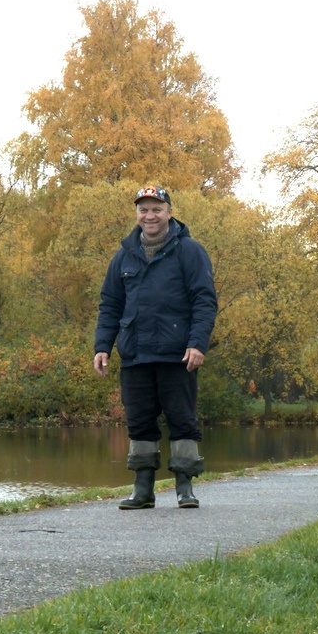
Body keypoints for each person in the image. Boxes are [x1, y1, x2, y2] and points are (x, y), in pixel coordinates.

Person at [93, 184, 217, 509]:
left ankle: (185, 488)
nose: (150, 215)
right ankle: (143, 490)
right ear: (137, 214)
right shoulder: (123, 256)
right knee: (140, 422)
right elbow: (110, 305)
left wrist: (198, 343)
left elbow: (204, 302)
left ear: (169, 212)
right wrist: (102, 346)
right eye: (144, 209)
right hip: (135, 354)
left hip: (178, 355)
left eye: (156, 209)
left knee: (182, 420)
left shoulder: (190, 251)